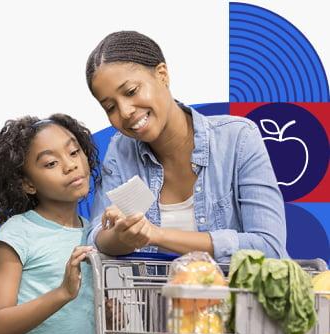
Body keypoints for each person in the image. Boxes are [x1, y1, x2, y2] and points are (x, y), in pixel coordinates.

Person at [85, 30, 288, 264]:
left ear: (162, 74)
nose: (125, 111)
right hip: (154, 300)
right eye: (110, 107)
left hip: (240, 300)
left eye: (131, 91)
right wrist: (120, 235)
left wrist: (156, 235)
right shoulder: (120, 153)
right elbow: (95, 240)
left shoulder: (237, 139)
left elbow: (269, 247)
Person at [0, 114, 100, 334]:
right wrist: (62, 293)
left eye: (74, 152)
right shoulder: (18, 233)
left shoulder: (96, 233)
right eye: (51, 163)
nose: (70, 164)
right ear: (27, 184)